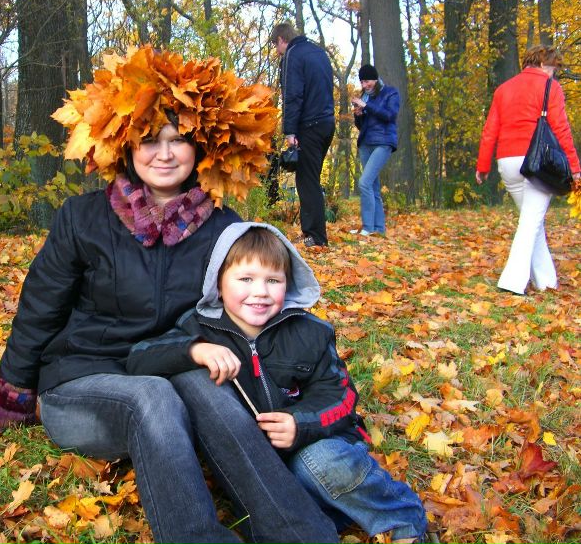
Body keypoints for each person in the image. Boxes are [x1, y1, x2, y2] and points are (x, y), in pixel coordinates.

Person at [0, 46, 339, 544]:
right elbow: (40, 307)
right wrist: (13, 394)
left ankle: (300, 533)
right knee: (154, 393)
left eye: (179, 140)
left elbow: (253, 316)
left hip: (177, 372)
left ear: (202, 148)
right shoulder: (82, 218)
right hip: (83, 382)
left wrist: (298, 401)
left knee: (191, 385)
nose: (164, 154)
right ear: (124, 145)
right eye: (149, 139)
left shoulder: (224, 230)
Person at [128, 222, 429, 543]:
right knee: (276, 495)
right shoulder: (198, 327)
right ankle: (330, 514)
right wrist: (194, 349)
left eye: (273, 280)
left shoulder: (309, 332)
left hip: (316, 443)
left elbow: (341, 396)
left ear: (288, 283)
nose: (260, 292)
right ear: (219, 281)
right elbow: (139, 357)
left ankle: (401, 517)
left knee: (320, 464)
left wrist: (301, 423)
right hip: (259, 463)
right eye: (245, 279)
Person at [476, 45, 580, 295]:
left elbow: (490, 129)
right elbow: (561, 129)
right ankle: (512, 281)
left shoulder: (503, 89)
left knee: (532, 221)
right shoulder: (550, 87)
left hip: (507, 162)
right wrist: (575, 167)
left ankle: (546, 282)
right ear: (546, 65)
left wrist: (483, 165)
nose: (554, 74)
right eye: (554, 68)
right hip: (537, 163)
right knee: (529, 223)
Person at [270, 22, 335, 248]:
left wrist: (290, 130)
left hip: (310, 124)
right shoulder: (318, 52)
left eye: (276, 46)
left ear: (281, 40)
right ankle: (315, 232)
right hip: (327, 122)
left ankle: (315, 237)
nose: (277, 52)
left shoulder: (293, 55)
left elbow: (293, 95)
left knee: (306, 181)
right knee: (312, 179)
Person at [350, 64, 400, 236]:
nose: (365, 85)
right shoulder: (365, 96)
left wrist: (367, 106)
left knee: (364, 182)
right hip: (366, 143)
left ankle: (367, 228)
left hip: (383, 142)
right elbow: (362, 126)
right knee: (373, 186)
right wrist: (358, 116)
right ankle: (379, 229)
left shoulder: (390, 93)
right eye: (362, 82)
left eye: (367, 81)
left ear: (375, 79)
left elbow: (390, 115)